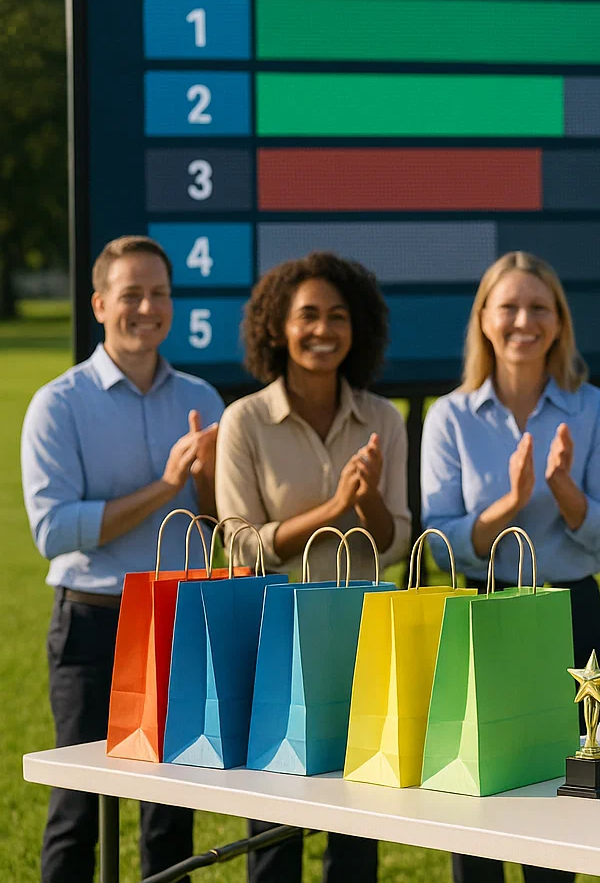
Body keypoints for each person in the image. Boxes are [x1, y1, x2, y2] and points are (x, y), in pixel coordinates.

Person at [23, 236, 220, 882]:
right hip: (92, 624)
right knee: (78, 808)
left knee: (171, 814)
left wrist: (212, 481)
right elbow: (53, 531)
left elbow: (219, 526)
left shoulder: (202, 399)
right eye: (131, 294)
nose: (147, 307)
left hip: (178, 623)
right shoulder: (58, 404)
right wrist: (165, 488)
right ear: (100, 304)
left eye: (159, 293)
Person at [421, 251, 600, 883]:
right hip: (483, 611)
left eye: (540, 307)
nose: (523, 321)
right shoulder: (449, 415)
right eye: (508, 306)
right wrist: (509, 503)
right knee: (475, 798)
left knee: (563, 802)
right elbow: (439, 546)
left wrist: (561, 486)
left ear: (559, 323)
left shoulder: (596, 411)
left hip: (571, 614)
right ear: (484, 319)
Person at [215, 251, 409, 883]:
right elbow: (240, 545)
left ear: (358, 330)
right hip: (274, 638)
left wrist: (368, 497)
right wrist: (333, 508)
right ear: (277, 327)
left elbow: (395, 544)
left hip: (363, 638)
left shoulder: (384, 419)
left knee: (358, 820)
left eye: (337, 316)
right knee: (275, 825)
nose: (322, 330)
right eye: (307, 316)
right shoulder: (244, 419)